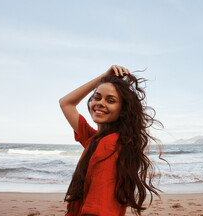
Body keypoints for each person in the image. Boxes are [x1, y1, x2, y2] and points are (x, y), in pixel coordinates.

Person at [59, 65, 163, 216]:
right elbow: (66, 103)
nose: (100, 103)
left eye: (111, 100)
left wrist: (102, 81)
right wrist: (103, 78)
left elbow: (98, 209)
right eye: (97, 97)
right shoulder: (95, 139)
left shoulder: (110, 144)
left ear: (123, 110)